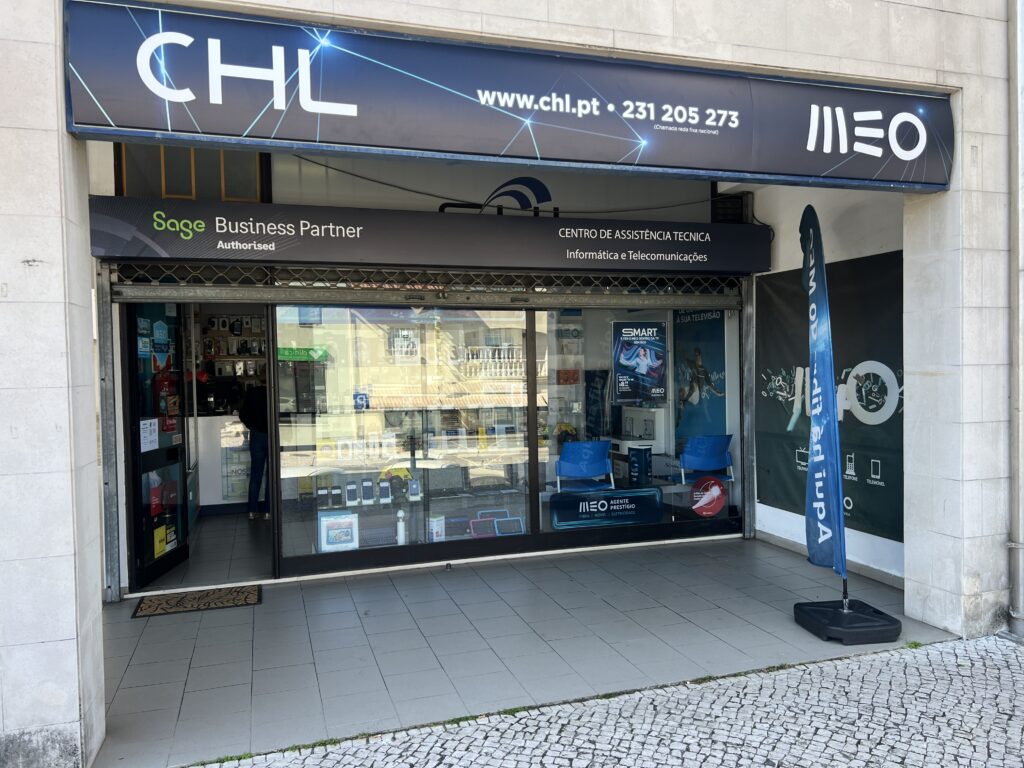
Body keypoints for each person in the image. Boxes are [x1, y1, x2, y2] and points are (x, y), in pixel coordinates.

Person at [239, 384, 269, 520]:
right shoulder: (275, 391)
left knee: (256, 474)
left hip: (257, 436)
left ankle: (252, 510)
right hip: (273, 435)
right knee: (272, 476)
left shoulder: (252, 392)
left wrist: (252, 426)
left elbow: (242, 414)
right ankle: (268, 511)